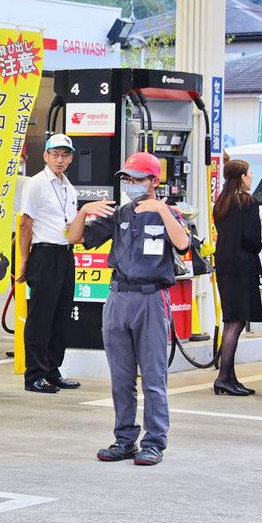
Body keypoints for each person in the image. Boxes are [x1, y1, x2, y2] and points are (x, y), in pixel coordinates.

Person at [67, 151, 189, 466]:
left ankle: (154, 442)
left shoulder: (168, 213)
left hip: (151, 298)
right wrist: (83, 212)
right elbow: (75, 238)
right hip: (118, 297)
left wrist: (162, 210)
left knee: (152, 375)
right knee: (121, 376)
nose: (132, 184)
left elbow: (183, 244)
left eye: (138, 179)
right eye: (128, 179)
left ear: (154, 181)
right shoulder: (120, 213)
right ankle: (124, 439)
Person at [16, 133, 82, 393]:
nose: (60, 159)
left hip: (65, 253)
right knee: (40, 318)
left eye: (65, 155)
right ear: (45, 156)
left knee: (60, 316)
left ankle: (52, 371)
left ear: (71, 158)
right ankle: (34, 374)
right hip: (44, 254)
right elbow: (25, 224)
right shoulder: (36, 184)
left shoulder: (68, 186)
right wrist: (24, 260)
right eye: (55, 154)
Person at [212, 159, 262, 396]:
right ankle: (224, 378)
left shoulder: (221, 203)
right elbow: (253, 239)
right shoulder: (248, 202)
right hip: (242, 266)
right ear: (242, 177)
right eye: (250, 173)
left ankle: (230, 377)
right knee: (236, 322)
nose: (251, 177)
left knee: (230, 319)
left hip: (224, 265)